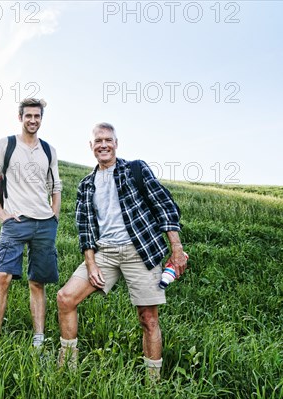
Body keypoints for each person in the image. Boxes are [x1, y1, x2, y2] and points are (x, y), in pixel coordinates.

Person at [56, 123, 187, 381]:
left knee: (148, 318)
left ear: (116, 143)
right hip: (104, 253)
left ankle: (153, 383)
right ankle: (67, 366)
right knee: (65, 298)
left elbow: (164, 205)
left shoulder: (134, 169)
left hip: (139, 251)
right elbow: (85, 228)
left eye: (108, 140)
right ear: (91, 146)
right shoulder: (86, 184)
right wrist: (91, 263)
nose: (103, 145)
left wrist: (177, 247)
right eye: (98, 141)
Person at [0, 98, 62, 351]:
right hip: (15, 222)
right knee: (2, 276)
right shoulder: (7, 144)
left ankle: (38, 339)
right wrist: (1, 214)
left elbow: (56, 187)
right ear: (20, 118)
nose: (33, 120)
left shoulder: (48, 150)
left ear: (41, 119)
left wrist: (54, 216)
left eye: (37, 116)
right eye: (28, 116)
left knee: (37, 282)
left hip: (44, 224)